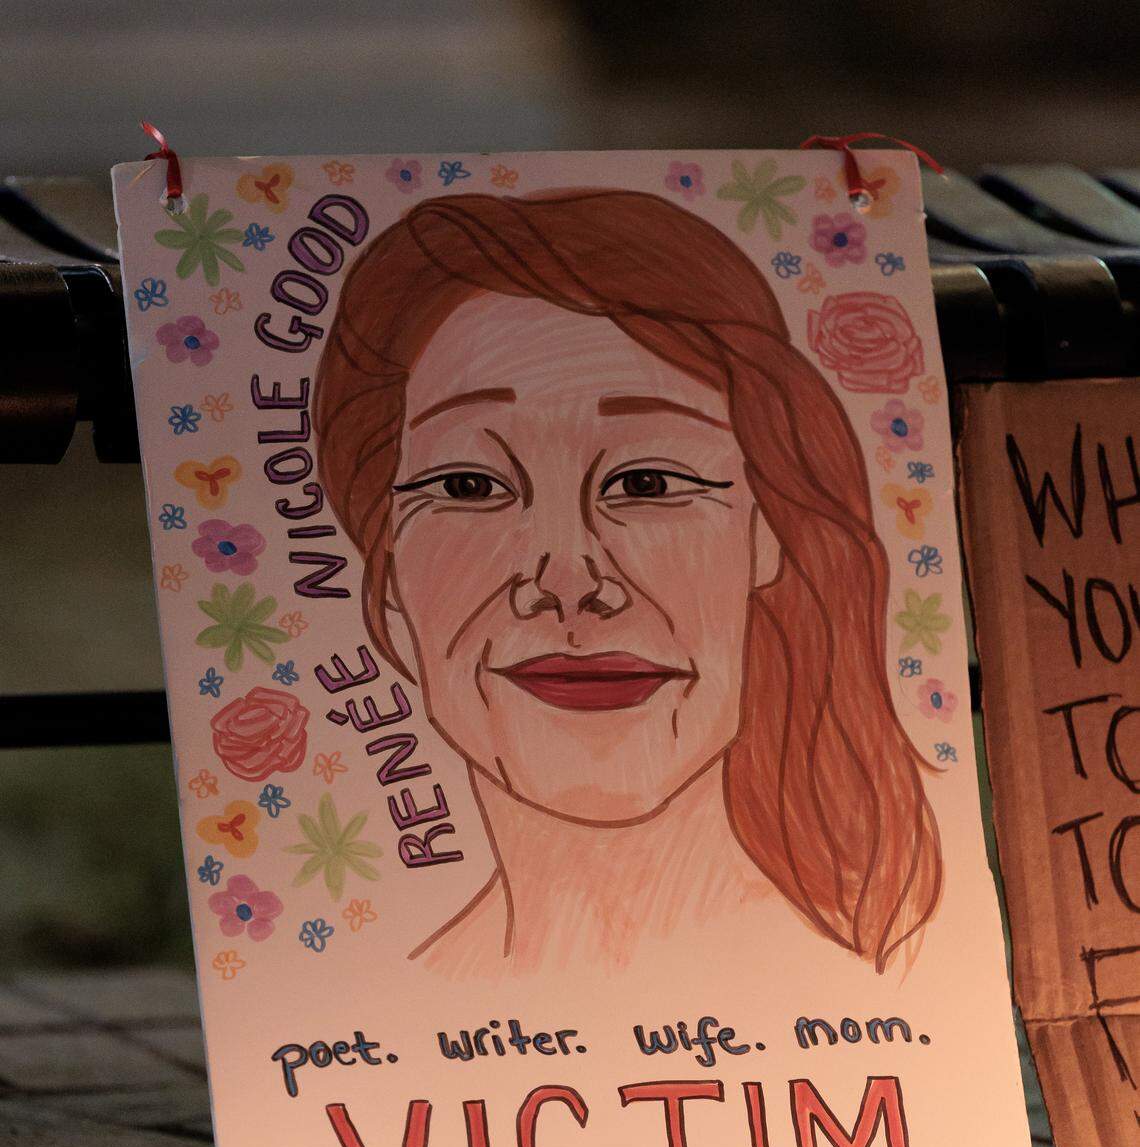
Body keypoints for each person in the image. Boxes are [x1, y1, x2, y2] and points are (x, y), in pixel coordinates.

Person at [314, 189, 941, 978]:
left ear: (766, 533)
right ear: (390, 558)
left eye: (647, 482)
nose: (568, 580)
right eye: (470, 486)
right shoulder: (384, 1019)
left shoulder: (886, 990)